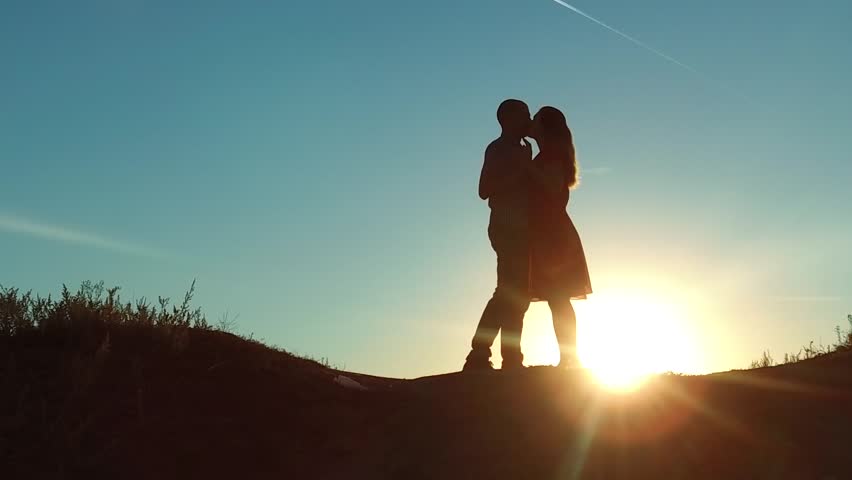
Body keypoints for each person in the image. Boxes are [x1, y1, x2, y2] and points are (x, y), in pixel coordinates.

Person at [463, 99, 533, 371]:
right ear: (507, 119)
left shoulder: (525, 148)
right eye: (524, 115)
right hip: (506, 225)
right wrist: (522, 171)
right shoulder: (498, 148)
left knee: (519, 295)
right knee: (507, 292)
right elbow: (484, 189)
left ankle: (511, 358)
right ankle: (479, 353)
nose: (528, 120)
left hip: (524, 228)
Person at [526, 106, 592, 367]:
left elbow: (551, 189)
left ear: (543, 127)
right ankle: (569, 356)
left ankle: (570, 357)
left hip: (552, 233)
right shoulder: (547, 154)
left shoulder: (551, 156)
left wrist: (524, 167)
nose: (530, 122)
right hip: (548, 231)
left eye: (535, 119)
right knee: (557, 298)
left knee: (558, 297)